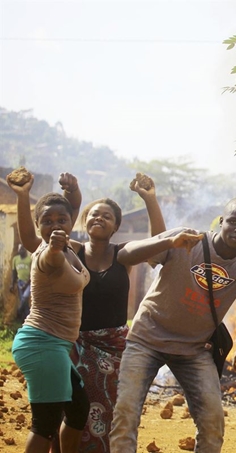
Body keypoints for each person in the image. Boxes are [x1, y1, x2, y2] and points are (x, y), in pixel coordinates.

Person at [108, 197, 236, 453]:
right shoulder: (187, 240)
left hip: (194, 350)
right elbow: (124, 254)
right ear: (220, 222)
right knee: (126, 414)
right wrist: (168, 241)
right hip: (146, 340)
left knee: (213, 424)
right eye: (234, 222)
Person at [12, 172, 166, 453]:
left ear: (117, 225)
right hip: (73, 346)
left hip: (114, 350)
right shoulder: (70, 250)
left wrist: (150, 199)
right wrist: (24, 197)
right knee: (63, 414)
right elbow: (34, 240)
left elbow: (157, 246)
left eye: (107, 216)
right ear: (82, 220)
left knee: (105, 412)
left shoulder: (124, 254)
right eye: (94, 214)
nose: (99, 218)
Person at [7, 177, 90, 453]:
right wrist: (54, 247)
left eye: (62, 220)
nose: (55, 225)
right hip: (42, 344)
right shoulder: (48, 253)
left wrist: (74, 189)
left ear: (71, 222)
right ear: (39, 225)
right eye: (47, 221)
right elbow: (51, 255)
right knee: (46, 424)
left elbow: (73, 206)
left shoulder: (67, 245)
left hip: (54, 345)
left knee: (78, 409)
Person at [11, 244, 33, 322]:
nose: (21, 251)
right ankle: (25, 318)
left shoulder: (30, 259)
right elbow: (14, 273)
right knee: (23, 301)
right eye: (20, 249)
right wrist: (12, 284)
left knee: (25, 296)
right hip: (20, 282)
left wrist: (25, 284)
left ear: (26, 251)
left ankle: (19, 311)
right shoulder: (15, 259)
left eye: (23, 249)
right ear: (18, 250)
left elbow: (32, 273)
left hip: (29, 283)